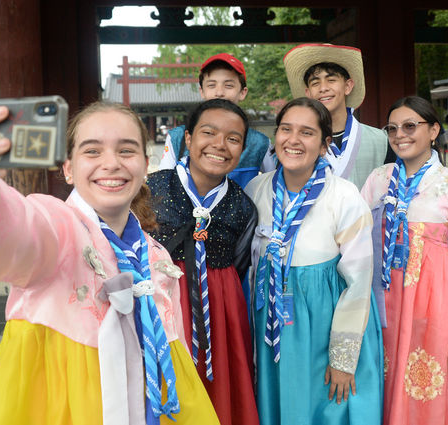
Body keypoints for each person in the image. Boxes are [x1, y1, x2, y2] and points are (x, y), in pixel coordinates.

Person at [0, 88, 219, 425]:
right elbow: (11, 231)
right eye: (92, 150)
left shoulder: (157, 254)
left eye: (127, 150)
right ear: (68, 168)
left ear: (145, 165)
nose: (112, 163)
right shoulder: (57, 228)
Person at [245, 97, 383, 425]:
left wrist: (343, 359)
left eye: (306, 133)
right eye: (286, 129)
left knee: (329, 409)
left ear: (324, 146)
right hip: (273, 326)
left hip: (326, 323)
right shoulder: (256, 190)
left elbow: (359, 282)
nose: (293, 140)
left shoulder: (345, 196)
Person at [360, 96, 448, 425]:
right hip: (383, 304)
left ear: (433, 131)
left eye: (410, 126)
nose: (400, 134)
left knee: (435, 384)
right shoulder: (378, 179)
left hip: (434, 306)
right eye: (393, 128)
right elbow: (356, 241)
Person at [146, 98, 259, 425]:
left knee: (221, 393)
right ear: (189, 139)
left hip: (222, 313)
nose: (220, 145)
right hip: (163, 305)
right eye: (208, 133)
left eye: (233, 138)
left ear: (242, 148)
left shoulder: (243, 205)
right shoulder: (150, 190)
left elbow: (240, 264)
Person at [263, 43, 387, 189]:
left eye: (331, 80)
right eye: (315, 83)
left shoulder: (381, 140)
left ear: (348, 86)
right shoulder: (295, 143)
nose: (323, 88)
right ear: (308, 93)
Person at [158, 53, 271, 188]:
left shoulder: (260, 142)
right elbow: (162, 187)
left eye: (228, 85)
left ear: (242, 92)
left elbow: (276, 185)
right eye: (211, 85)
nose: (219, 93)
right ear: (202, 91)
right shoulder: (177, 137)